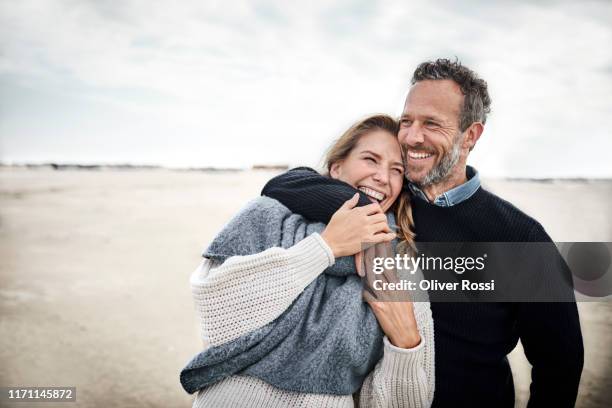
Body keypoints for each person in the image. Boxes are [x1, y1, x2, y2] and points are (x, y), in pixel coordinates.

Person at [262, 58, 584, 407]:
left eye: (431, 123)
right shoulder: (387, 202)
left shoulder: (520, 236)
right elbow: (284, 184)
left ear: (470, 135)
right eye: (407, 121)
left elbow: (560, 364)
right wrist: (361, 205)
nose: (412, 136)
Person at [182, 115, 435, 407]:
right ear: (337, 167)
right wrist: (326, 247)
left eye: (396, 170)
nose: (382, 176)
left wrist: (406, 346)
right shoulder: (266, 215)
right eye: (370, 159)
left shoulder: (396, 264)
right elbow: (216, 317)